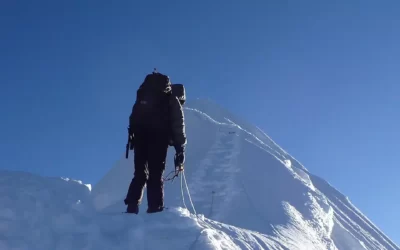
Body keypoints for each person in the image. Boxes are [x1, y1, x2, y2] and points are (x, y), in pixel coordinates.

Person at [124, 71, 187, 214]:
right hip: (159, 138)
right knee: (156, 173)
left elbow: (133, 116)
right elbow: (178, 125)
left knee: (140, 173)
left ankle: (131, 207)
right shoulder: (172, 100)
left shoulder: (145, 95)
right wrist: (180, 148)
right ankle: (155, 208)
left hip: (140, 136)